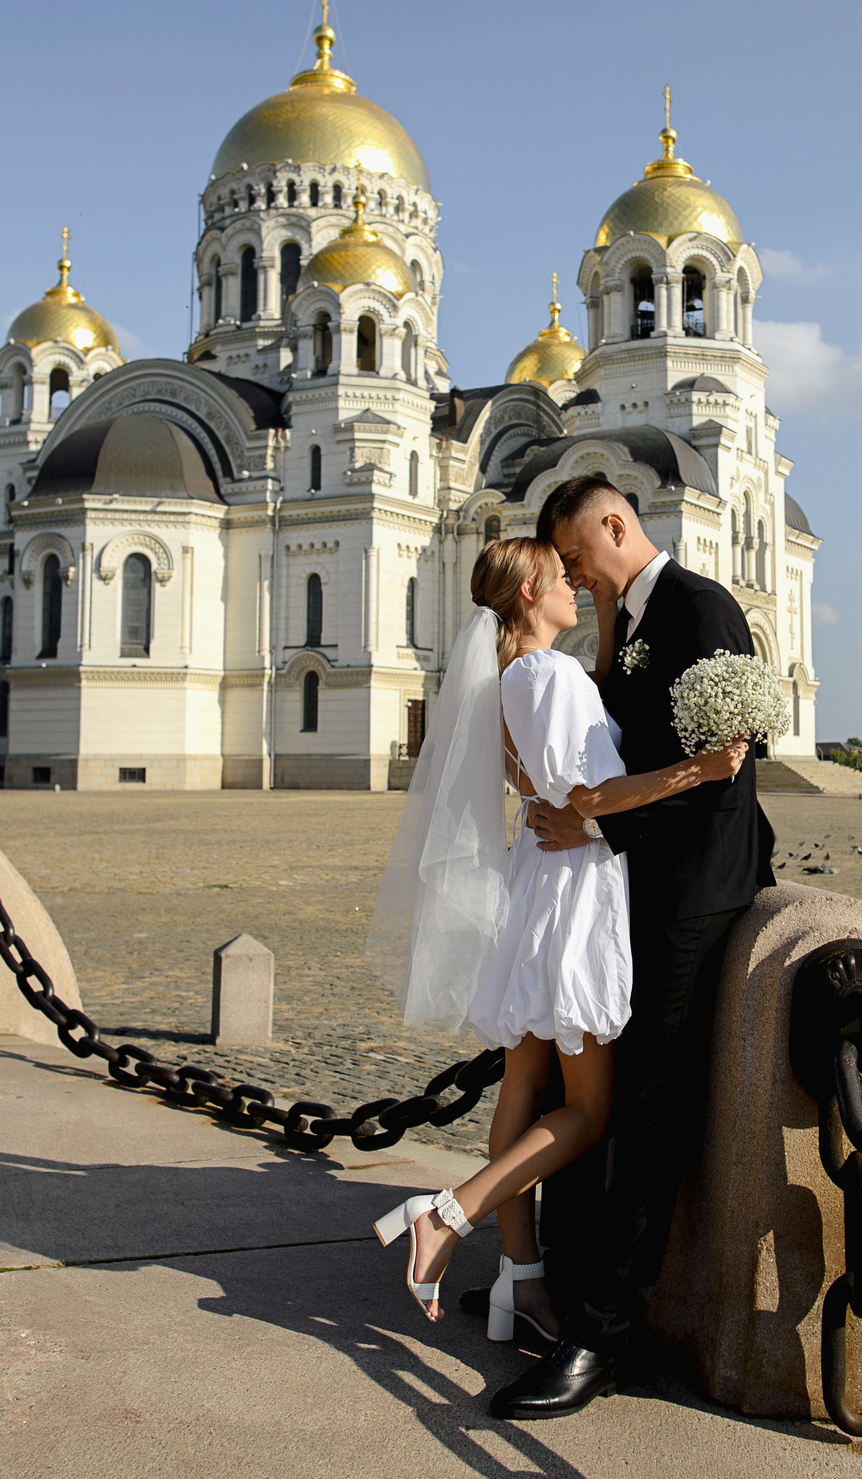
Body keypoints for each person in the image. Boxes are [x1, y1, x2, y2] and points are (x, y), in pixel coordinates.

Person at [365, 536, 748, 1341]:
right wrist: (701, 769)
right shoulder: (552, 675)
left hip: (535, 875)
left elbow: (537, 780)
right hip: (574, 889)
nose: (575, 584)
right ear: (530, 592)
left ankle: (522, 1280)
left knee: (522, 1085)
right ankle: (450, 1211)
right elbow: (592, 795)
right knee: (589, 1109)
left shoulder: (507, 679)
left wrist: (605, 628)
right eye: (560, 577)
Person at [487, 476, 776, 1421]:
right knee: (591, 1090)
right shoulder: (625, 622)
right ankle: (568, 1280)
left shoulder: (701, 608)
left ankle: (601, 1338)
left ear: (616, 523)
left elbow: (726, 773)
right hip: (626, 888)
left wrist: (596, 827)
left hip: (693, 895)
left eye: (576, 557)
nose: (571, 575)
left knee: (647, 1105)